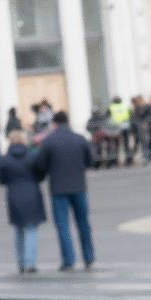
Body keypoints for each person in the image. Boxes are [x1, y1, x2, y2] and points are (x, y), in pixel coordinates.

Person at [38, 111, 96, 271]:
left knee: (63, 226)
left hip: (58, 188)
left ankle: (68, 260)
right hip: (79, 187)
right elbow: (90, 161)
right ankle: (89, 257)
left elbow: (41, 165)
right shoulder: (79, 139)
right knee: (83, 224)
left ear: (55, 123)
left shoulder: (49, 141)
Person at [0, 129, 47, 274]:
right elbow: (41, 173)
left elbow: (1, 179)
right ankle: (31, 262)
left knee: (18, 230)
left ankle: (21, 262)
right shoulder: (32, 155)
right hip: (31, 192)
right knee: (31, 230)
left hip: (14, 194)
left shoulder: (5, 159)